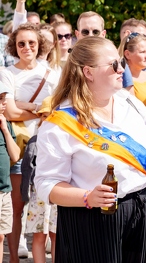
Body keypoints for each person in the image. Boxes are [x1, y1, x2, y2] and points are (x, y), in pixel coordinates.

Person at [33, 36, 146, 263]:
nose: (122, 69)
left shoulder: (130, 103)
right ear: (88, 73)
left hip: (144, 208)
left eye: (121, 63)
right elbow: (46, 185)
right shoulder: (60, 122)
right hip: (92, 217)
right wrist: (87, 197)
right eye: (114, 65)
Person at [0, 24, 60, 263]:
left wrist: (26, 106)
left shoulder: (52, 74)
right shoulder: (6, 73)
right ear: (14, 46)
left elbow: (56, 109)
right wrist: (39, 110)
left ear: (39, 45)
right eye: (21, 43)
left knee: (44, 209)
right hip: (17, 146)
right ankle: (14, 258)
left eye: (31, 43)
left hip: (45, 148)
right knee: (16, 208)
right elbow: (11, 112)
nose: (26, 47)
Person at [21, 97, 56, 263]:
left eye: (52, 115)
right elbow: (27, 169)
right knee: (39, 236)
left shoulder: (66, 138)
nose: (47, 119)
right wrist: (25, 194)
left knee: (57, 236)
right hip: (39, 194)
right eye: (44, 115)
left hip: (59, 192)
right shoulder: (35, 140)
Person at [0, 81, 21, 260]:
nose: (4, 103)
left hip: (5, 190)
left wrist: (6, 130)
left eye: (4, 99)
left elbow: (15, 156)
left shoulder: (5, 123)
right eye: (0, 100)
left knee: (1, 236)